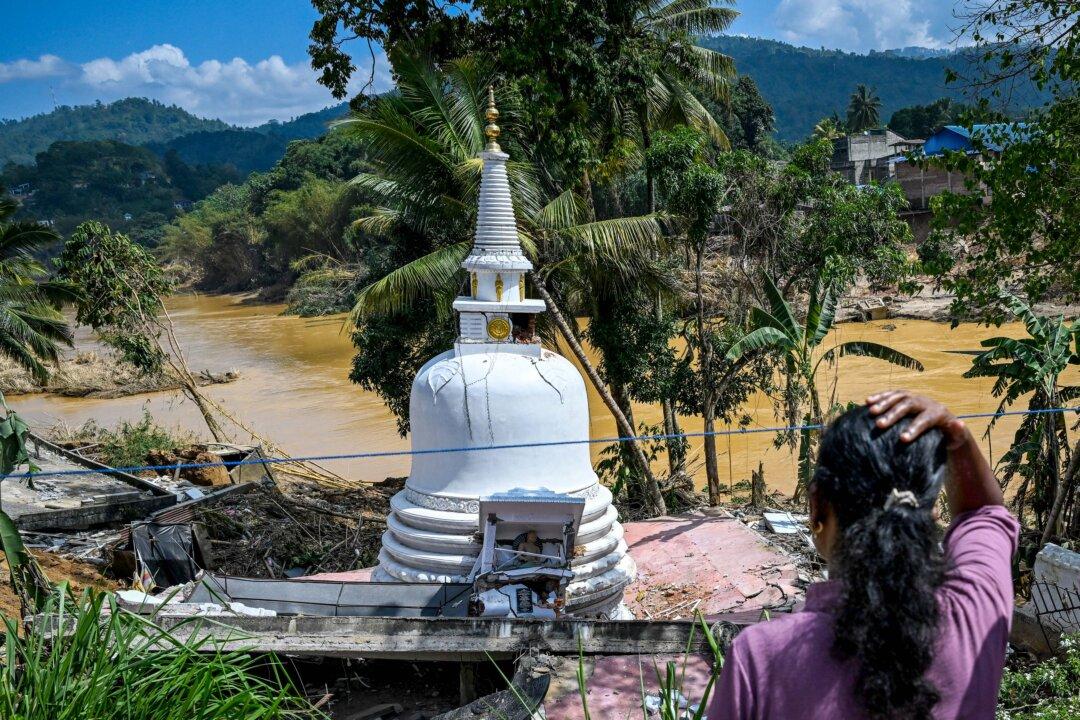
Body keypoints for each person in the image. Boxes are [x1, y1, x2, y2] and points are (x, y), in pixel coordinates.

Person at [708, 391, 1019, 720]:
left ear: (817, 507)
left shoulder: (762, 657)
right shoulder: (973, 614)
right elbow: (984, 513)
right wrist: (958, 436)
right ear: (927, 515)